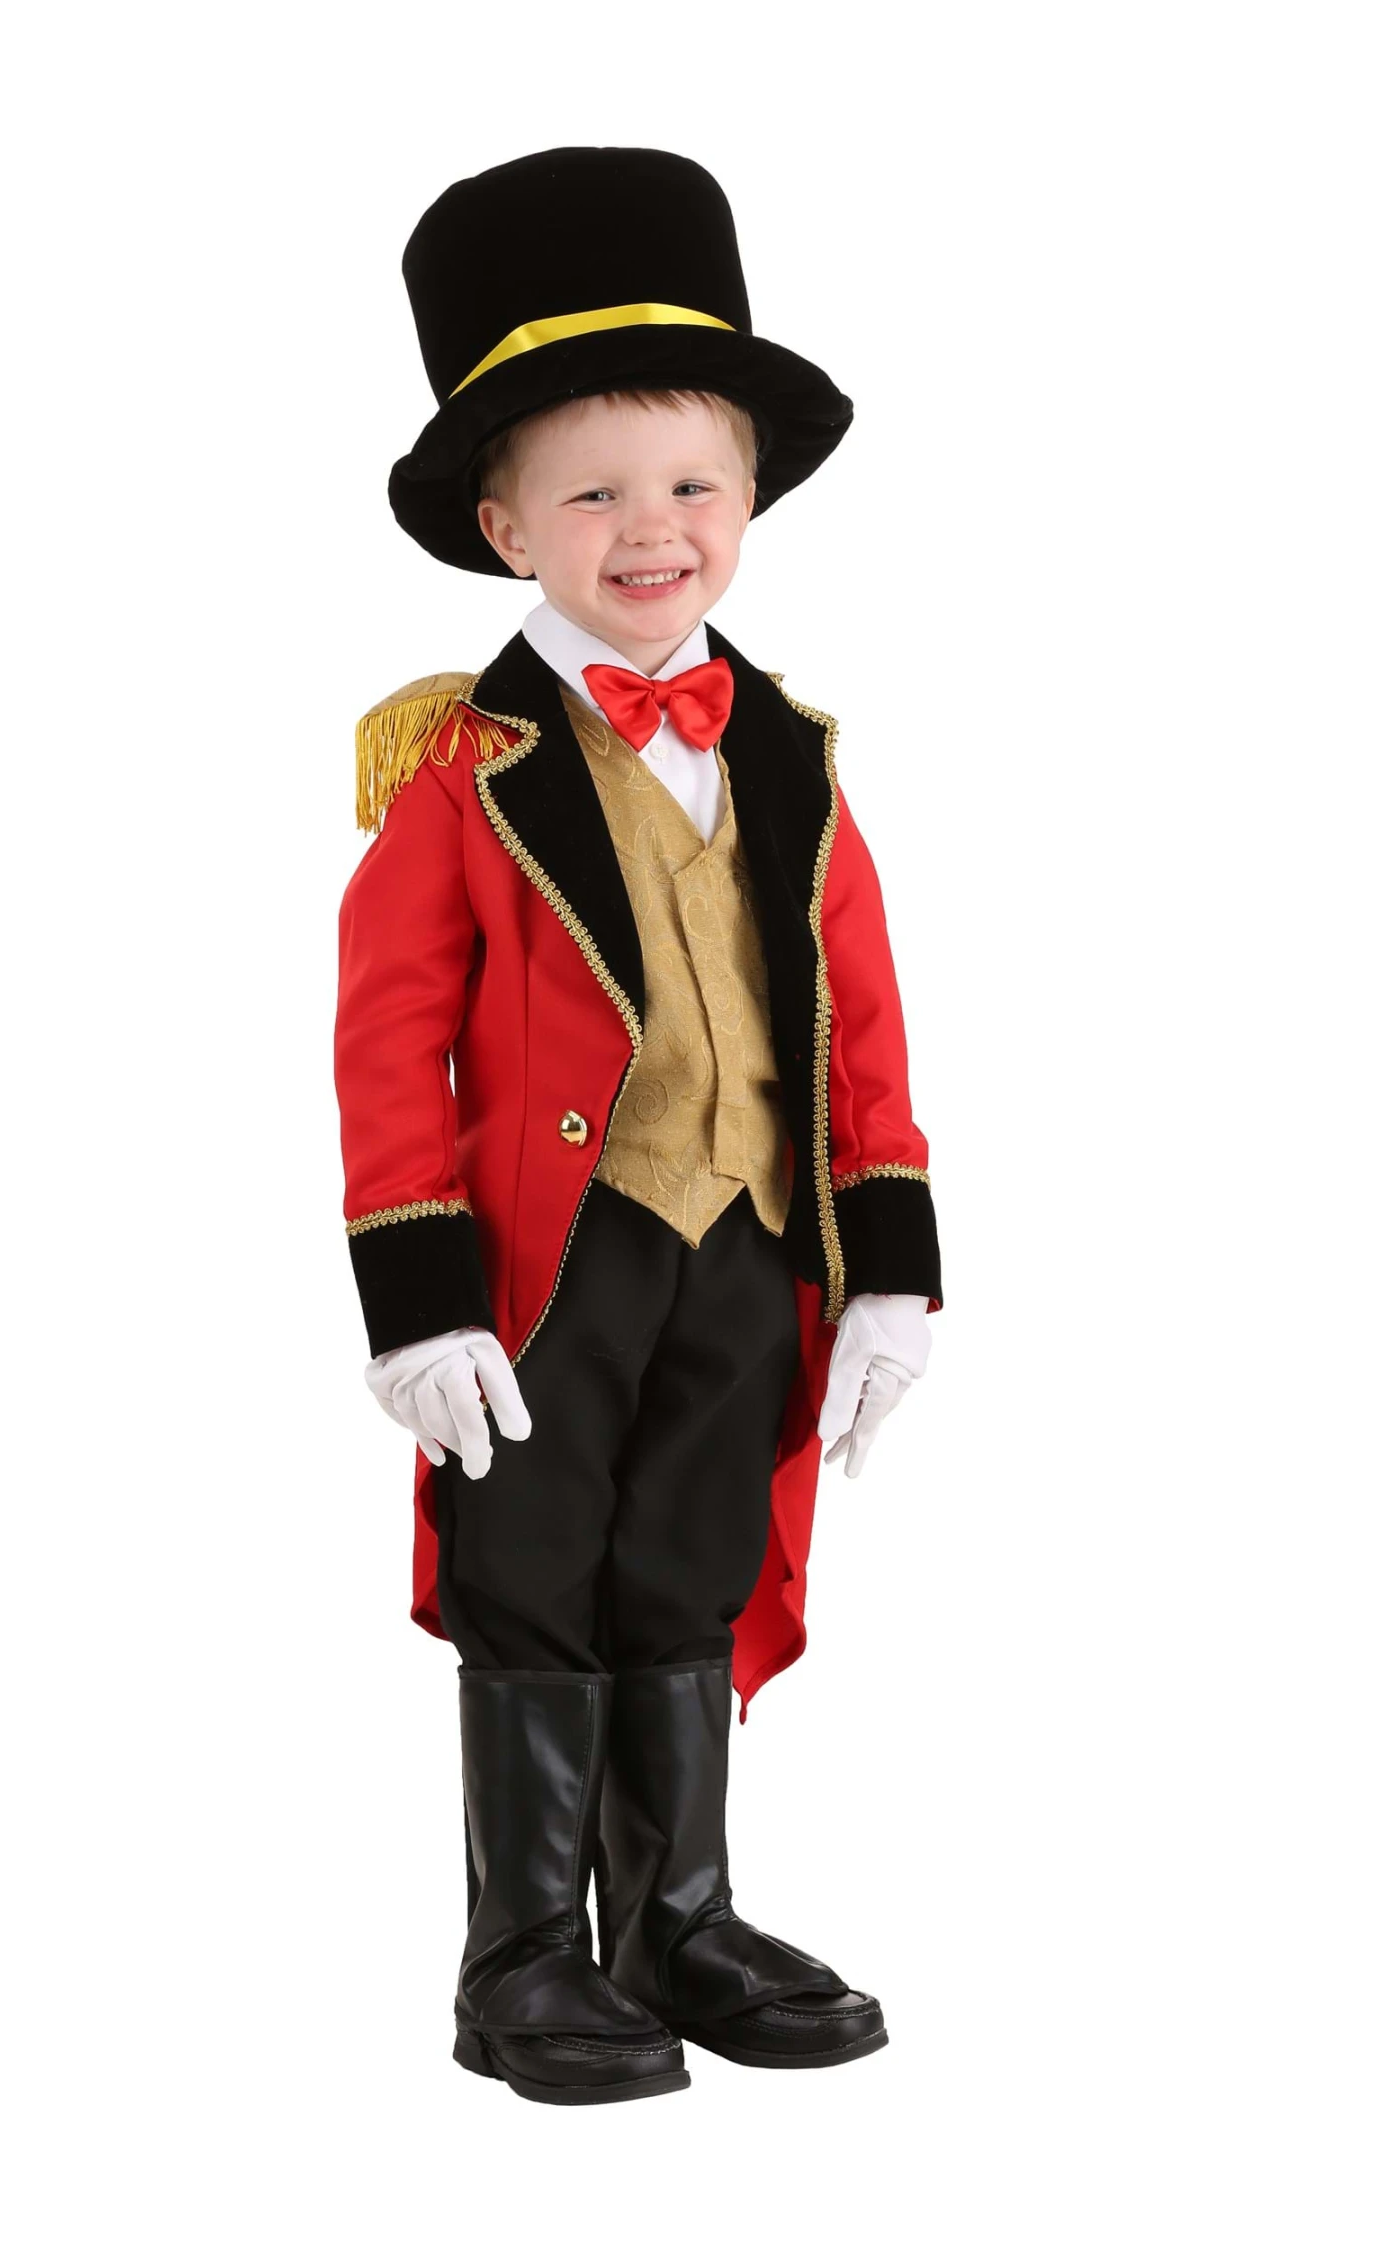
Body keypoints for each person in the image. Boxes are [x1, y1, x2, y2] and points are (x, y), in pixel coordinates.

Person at [334, 146, 943, 2107]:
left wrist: (890, 1267)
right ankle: (521, 1955)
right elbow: (388, 1032)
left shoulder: (796, 761)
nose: (651, 528)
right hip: (553, 1254)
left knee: (689, 1547)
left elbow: (860, 1020)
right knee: (535, 1560)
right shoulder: (463, 768)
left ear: (750, 496)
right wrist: (418, 1297)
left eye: (691, 484)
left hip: (749, 1243)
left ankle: (676, 1917)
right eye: (593, 493)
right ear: (505, 522)